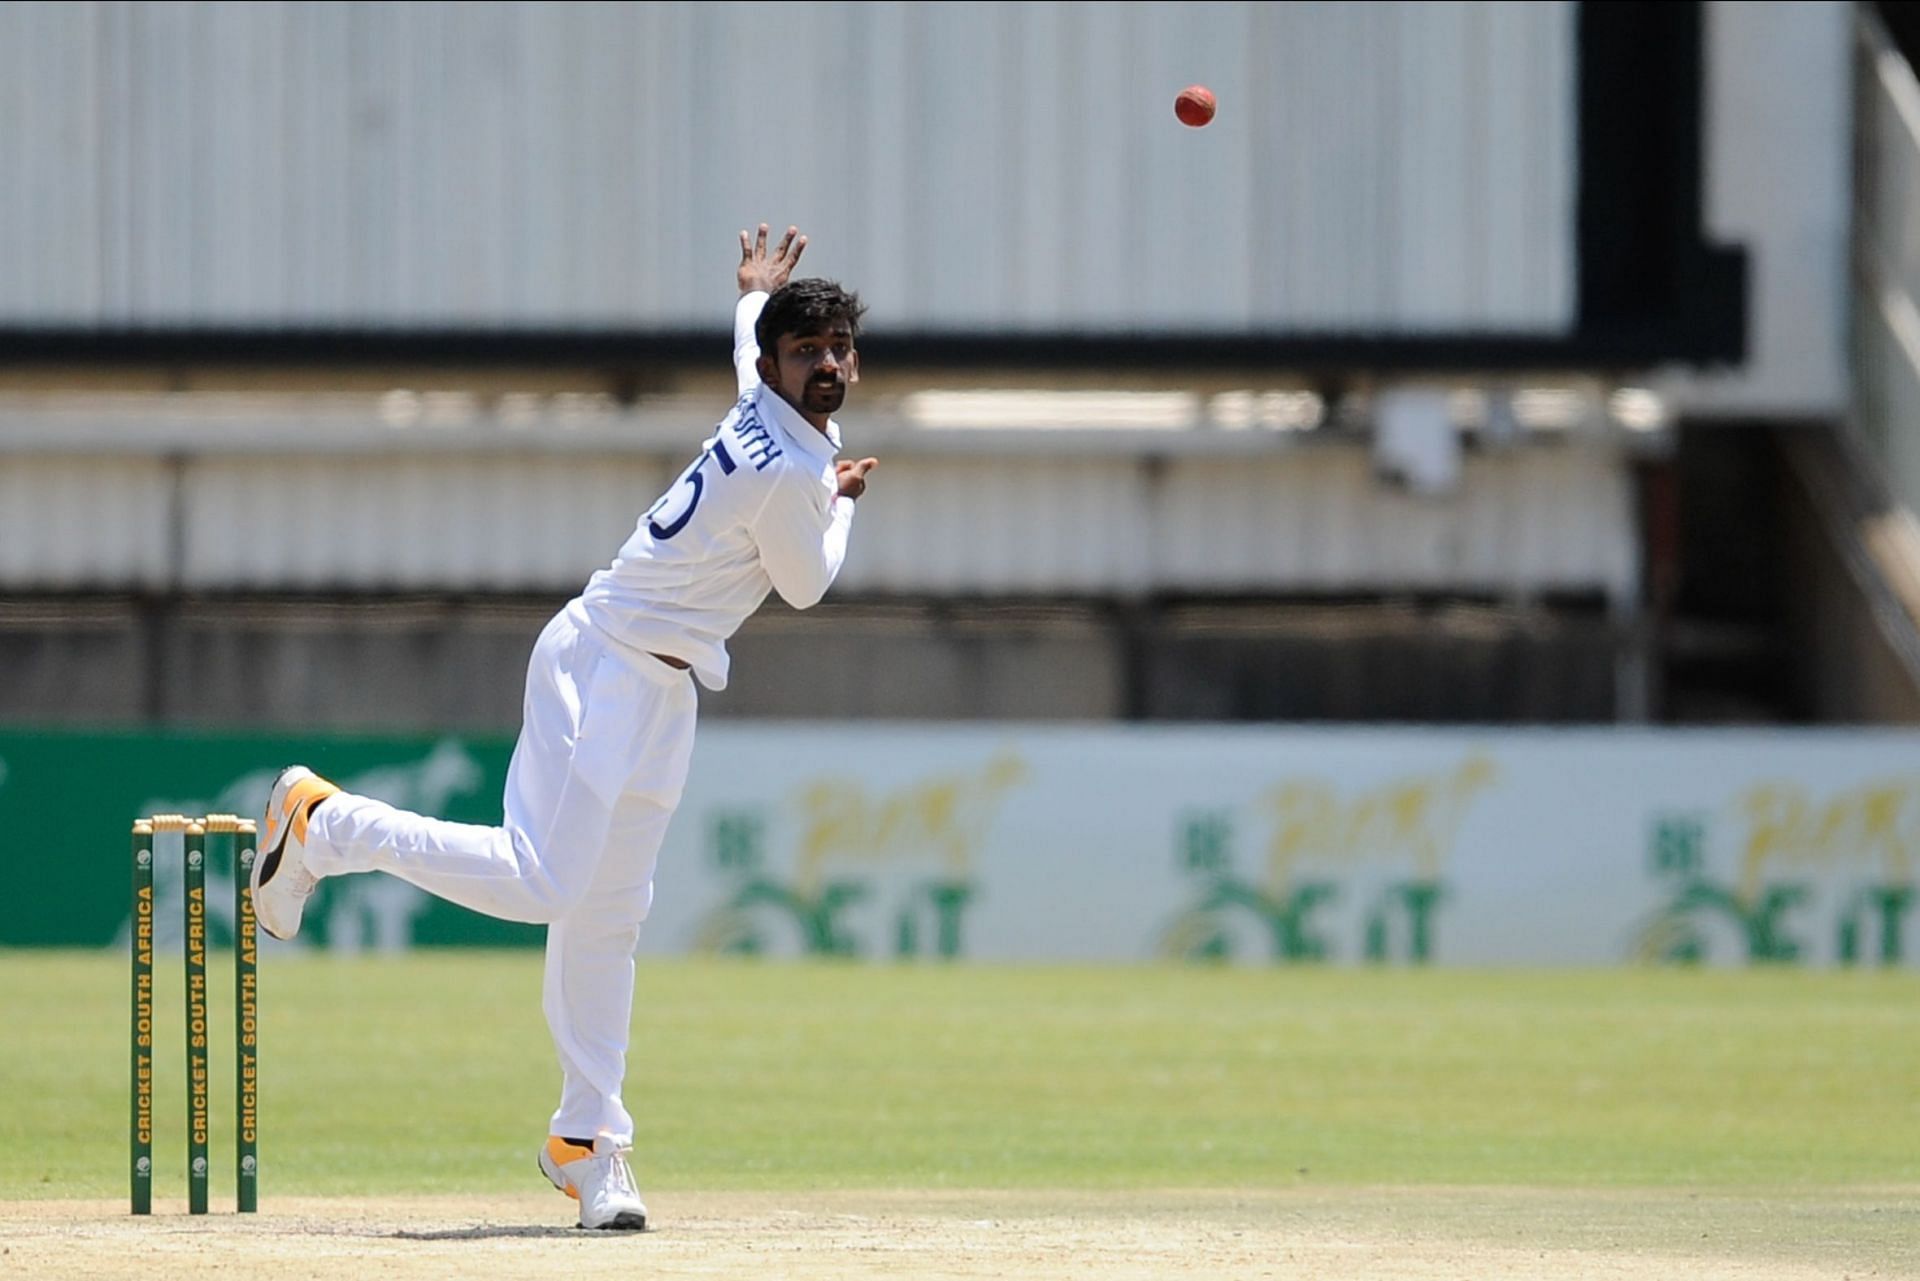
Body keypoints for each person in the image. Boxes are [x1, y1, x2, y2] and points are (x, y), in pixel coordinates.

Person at [249, 224, 876, 1231]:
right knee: (549, 884)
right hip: (606, 668)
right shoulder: (791, 471)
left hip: (663, 690)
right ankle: (324, 825)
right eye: (810, 352)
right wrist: (843, 507)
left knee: (608, 918)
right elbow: (805, 586)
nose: (832, 366)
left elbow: (749, 349)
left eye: (842, 348)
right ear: (777, 367)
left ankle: (589, 1144)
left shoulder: (770, 407)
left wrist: (756, 300)